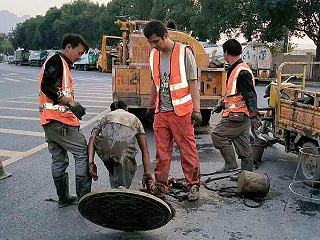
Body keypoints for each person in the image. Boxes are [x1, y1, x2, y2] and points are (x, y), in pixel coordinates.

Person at [143, 20, 202, 201]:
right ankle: (161, 185)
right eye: (151, 43)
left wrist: (197, 110)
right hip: (162, 112)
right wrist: (151, 106)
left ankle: (193, 185)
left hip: (182, 112)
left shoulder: (184, 53)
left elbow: (193, 82)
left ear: (165, 36)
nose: (154, 45)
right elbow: (155, 82)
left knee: (187, 150)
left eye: (156, 41)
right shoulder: (154, 55)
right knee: (162, 153)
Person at [38, 33, 92, 208]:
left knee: (59, 160)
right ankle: (84, 199)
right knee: (82, 153)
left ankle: (63, 198)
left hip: (49, 122)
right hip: (61, 122)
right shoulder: (56, 61)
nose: (80, 56)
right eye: (79, 52)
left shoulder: (58, 63)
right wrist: (69, 102)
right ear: (68, 47)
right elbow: (46, 85)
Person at [211, 39, 261, 179]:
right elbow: (235, 93)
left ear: (226, 53)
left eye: (224, 52)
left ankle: (230, 164)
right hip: (241, 115)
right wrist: (221, 104)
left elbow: (250, 94)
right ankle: (247, 176)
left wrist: (254, 115)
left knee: (217, 134)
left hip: (237, 115)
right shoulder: (237, 69)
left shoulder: (241, 71)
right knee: (243, 144)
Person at [88, 101, 154, 191]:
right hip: (122, 151)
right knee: (124, 173)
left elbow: (92, 137)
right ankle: (121, 193)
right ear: (126, 109)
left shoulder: (105, 117)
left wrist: (91, 163)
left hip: (104, 150)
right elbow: (144, 150)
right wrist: (146, 173)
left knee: (113, 168)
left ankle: (115, 190)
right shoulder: (134, 119)